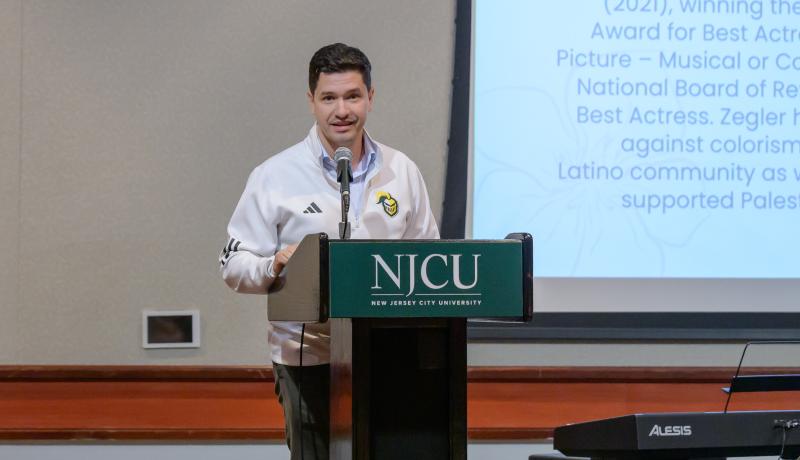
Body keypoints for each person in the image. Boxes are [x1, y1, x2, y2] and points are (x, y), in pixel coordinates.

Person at [219, 43, 439, 460]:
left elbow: (428, 261)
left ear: (371, 98)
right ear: (311, 102)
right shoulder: (274, 175)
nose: (342, 110)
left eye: (353, 96)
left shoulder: (402, 171)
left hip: (390, 356)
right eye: (329, 98)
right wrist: (275, 264)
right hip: (309, 360)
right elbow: (233, 264)